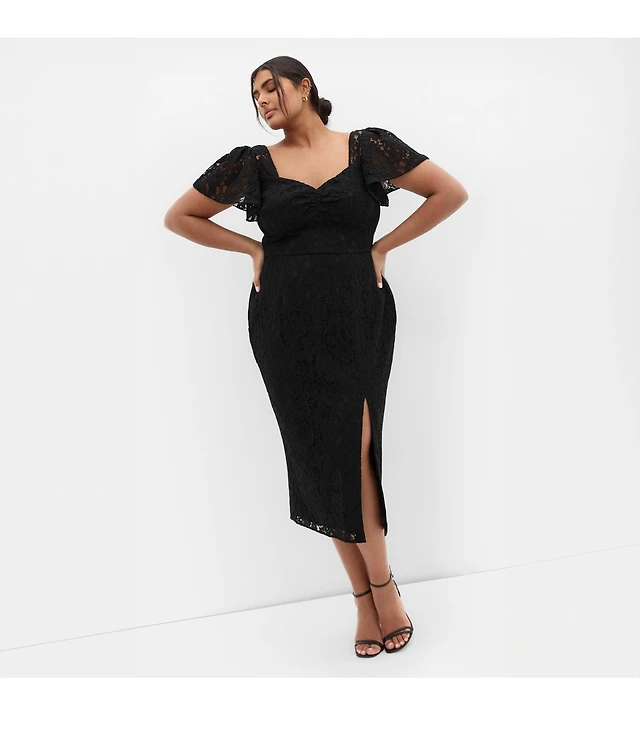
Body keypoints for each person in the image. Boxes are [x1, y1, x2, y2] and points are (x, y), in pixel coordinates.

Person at [164, 55, 468, 658]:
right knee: (318, 457)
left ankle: (384, 590)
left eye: (270, 87)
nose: (262, 101)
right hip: (284, 322)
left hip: (358, 312)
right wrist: (253, 249)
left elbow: (448, 192)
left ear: (305, 86)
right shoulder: (250, 163)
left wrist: (382, 248)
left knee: (357, 452)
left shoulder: (367, 148)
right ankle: (364, 600)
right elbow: (181, 217)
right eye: (255, 95)